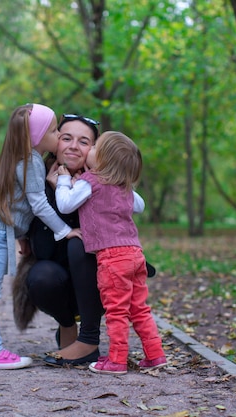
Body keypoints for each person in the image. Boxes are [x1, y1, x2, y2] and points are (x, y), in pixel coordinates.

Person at [0, 104, 81, 370]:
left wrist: (22, 237)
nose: (58, 134)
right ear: (37, 136)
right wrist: (65, 231)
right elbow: (37, 205)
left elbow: (17, 205)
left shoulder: (20, 158)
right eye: (53, 130)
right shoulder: (32, 161)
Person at [55, 131, 166, 375]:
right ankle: (155, 354)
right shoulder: (124, 187)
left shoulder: (90, 181)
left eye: (94, 148)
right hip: (136, 255)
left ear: (103, 161)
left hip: (112, 258)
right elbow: (140, 205)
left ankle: (116, 360)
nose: (89, 150)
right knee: (139, 308)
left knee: (116, 310)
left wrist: (63, 181)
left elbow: (65, 204)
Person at [12, 114, 103, 366]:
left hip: (101, 282)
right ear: (53, 142)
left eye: (84, 142)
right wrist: (54, 192)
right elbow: (37, 239)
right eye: (66, 138)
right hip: (56, 281)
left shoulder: (105, 184)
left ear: (95, 150)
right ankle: (66, 324)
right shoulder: (36, 181)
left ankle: (89, 339)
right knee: (40, 276)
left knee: (79, 242)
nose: (74, 146)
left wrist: (78, 190)